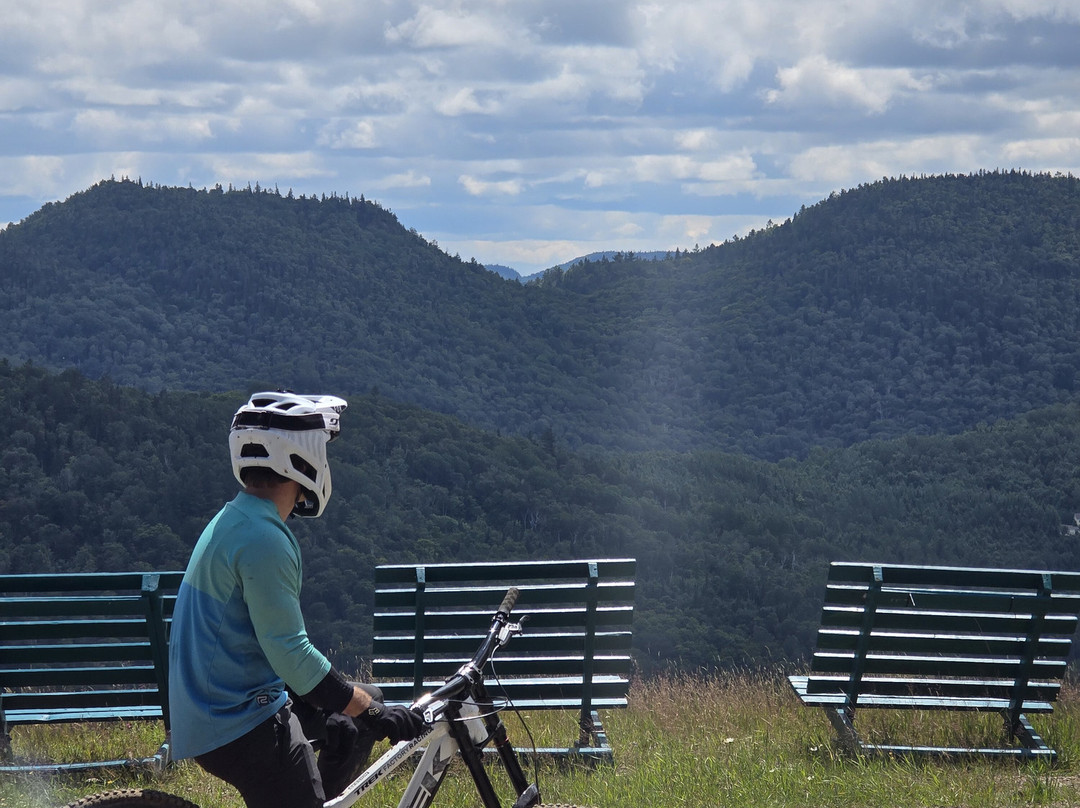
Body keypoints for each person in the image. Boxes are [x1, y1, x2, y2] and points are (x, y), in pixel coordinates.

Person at [168, 391, 425, 808]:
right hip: (236, 721)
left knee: (365, 704)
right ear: (302, 459)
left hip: (214, 704)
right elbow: (291, 654)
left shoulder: (237, 518)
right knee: (366, 710)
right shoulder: (264, 539)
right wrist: (374, 715)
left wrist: (363, 708)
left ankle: (318, 793)